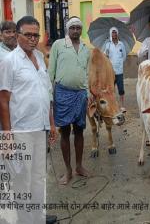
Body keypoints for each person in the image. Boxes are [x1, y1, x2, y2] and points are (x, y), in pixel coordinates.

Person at [0, 16, 57, 224]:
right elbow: (3, 100)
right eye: (28, 35)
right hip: (20, 132)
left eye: (36, 35)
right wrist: (7, 137)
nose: (33, 39)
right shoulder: (9, 62)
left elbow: (46, 92)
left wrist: (51, 124)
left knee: (39, 178)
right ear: (17, 35)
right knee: (22, 181)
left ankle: (38, 218)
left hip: (40, 129)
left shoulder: (40, 58)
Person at [48, 16, 91, 185]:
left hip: (80, 94)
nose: (75, 30)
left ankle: (79, 166)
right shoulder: (58, 45)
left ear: (81, 30)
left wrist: (87, 93)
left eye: (78, 28)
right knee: (64, 132)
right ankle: (67, 170)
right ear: (68, 29)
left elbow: (85, 73)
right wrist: (50, 95)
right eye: (72, 28)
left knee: (79, 130)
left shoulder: (86, 48)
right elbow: (51, 72)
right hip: (62, 94)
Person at [103, 27, 127, 111]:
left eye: (115, 32)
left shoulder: (121, 44)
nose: (114, 34)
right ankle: (112, 105)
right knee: (111, 89)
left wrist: (119, 63)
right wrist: (107, 55)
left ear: (117, 33)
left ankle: (122, 106)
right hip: (111, 72)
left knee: (121, 89)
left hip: (119, 71)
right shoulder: (108, 45)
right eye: (112, 32)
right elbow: (105, 56)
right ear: (110, 34)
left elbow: (124, 56)